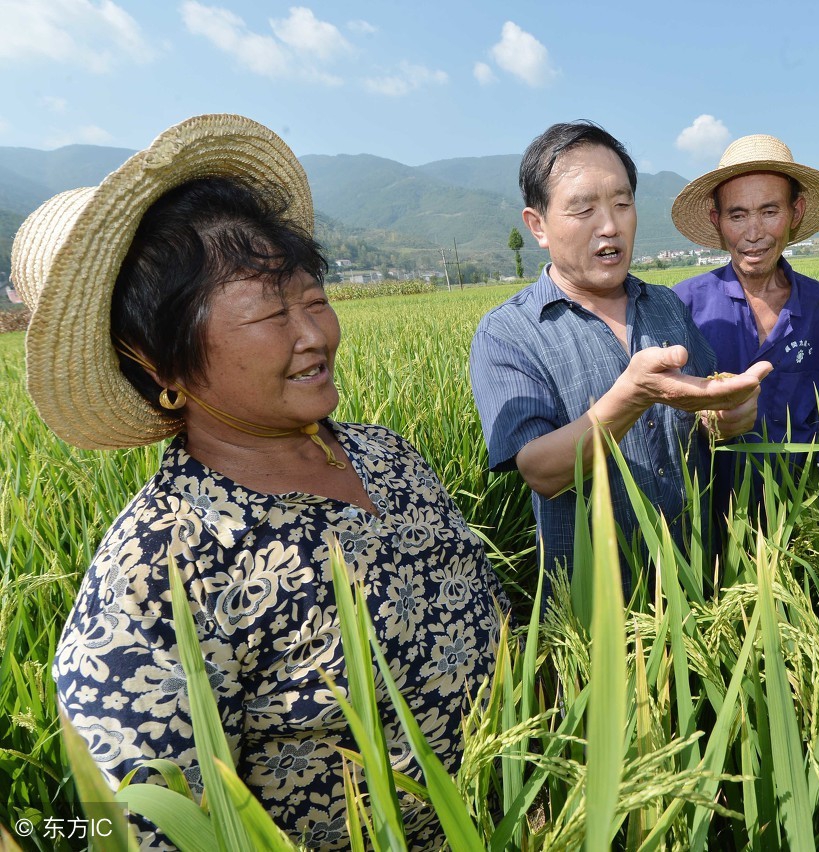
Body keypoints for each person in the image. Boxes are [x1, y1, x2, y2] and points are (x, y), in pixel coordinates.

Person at [13, 115, 507, 851]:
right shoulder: (158, 574)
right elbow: (148, 831)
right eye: (272, 312)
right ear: (159, 362)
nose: (315, 335)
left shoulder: (388, 456)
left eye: (313, 300)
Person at [469, 121, 771, 591]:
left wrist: (729, 415)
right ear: (538, 226)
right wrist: (629, 398)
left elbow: (706, 420)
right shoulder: (508, 333)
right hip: (600, 620)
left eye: (622, 203)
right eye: (583, 208)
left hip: (702, 585)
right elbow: (540, 470)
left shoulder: (667, 306)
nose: (609, 225)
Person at [670, 134, 819, 510]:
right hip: (704, 518)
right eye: (738, 214)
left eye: (770, 211)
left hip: (798, 509)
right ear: (718, 221)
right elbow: (657, 412)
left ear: (796, 213)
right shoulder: (683, 305)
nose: (754, 232)